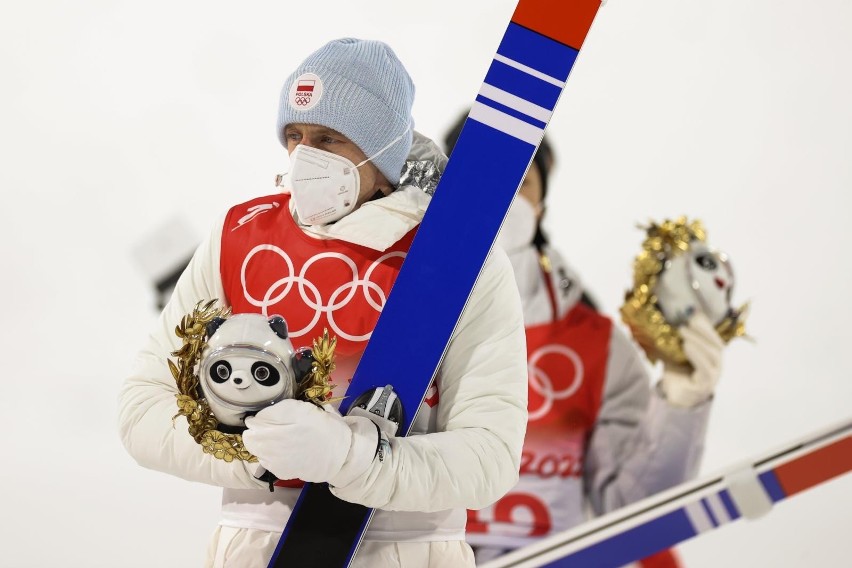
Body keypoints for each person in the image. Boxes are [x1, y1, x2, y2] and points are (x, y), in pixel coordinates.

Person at [118, 39, 529, 568]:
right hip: (255, 545)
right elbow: (142, 410)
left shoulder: (460, 259)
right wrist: (250, 453)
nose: (304, 156)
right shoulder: (240, 237)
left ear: (379, 152)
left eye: (328, 139)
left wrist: (351, 456)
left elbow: (490, 457)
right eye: (294, 135)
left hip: (408, 551)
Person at [443, 115, 725, 567]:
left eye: (522, 182)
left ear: (542, 209)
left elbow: (631, 511)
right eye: (485, 177)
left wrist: (681, 401)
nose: (503, 196)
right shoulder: (392, 319)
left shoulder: (597, 348)